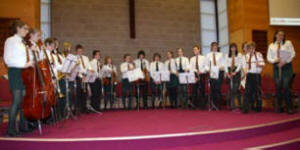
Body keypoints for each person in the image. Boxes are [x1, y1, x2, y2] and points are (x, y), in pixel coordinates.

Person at [4, 20, 32, 136]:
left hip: (24, 72)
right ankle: (10, 129)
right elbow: (8, 59)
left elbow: (27, 57)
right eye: (25, 28)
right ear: (18, 28)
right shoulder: (10, 41)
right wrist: (25, 64)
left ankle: (22, 126)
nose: (27, 31)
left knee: (23, 101)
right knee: (16, 101)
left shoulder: (23, 43)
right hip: (16, 72)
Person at [267, 30, 295, 114]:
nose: (280, 36)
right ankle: (279, 107)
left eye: (282, 35)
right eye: (279, 35)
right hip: (276, 66)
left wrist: (284, 62)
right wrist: (275, 60)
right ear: (275, 35)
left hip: (286, 66)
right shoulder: (271, 45)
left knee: (286, 86)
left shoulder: (288, 43)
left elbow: (293, 54)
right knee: (278, 87)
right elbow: (269, 58)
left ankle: (289, 107)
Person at [243, 42, 265, 113]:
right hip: (249, 75)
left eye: (252, 48)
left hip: (256, 75)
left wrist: (259, 64)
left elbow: (263, 64)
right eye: (250, 48)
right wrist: (244, 74)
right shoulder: (246, 56)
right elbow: (245, 66)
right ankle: (246, 108)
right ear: (248, 49)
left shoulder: (258, 55)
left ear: (254, 48)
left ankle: (258, 107)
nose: (251, 50)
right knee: (247, 91)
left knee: (257, 92)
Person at [206, 42, 225, 110]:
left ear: (217, 47)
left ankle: (218, 105)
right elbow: (206, 65)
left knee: (218, 89)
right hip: (211, 73)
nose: (215, 47)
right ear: (211, 47)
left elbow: (223, 64)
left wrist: (218, 68)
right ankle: (213, 105)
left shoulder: (221, 54)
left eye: (216, 46)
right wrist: (208, 70)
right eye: (213, 46)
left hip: (219, 73)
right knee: (213, 89)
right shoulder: (208, 55)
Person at [225, 43, 242, 111]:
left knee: (235, 89)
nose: (233, 49)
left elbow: (240, 64)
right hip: (229, 71)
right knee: (231, 89)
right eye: (232, 48)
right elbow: (225, 64)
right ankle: (233, 106)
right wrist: (227, 73)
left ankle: (233, 105)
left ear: (236, 48)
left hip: (236, 72)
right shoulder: (227, 55)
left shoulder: (239, 55)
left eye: (234, 47)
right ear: (230, 49)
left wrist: (236, 71)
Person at [189, 45, 207, 109]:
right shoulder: (192, 59)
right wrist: (194, 76)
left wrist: (201, 71)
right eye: (194, 50)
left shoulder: (203, 58)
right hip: (194, 75)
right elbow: (190, 68)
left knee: (202, 90)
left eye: (196, 49)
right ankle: (194, 105)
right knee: (194, 91)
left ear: (199, 50)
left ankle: (202, 105)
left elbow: (206, 67)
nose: (194, 51)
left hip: (202, 74)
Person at [75, 44, 92, 114]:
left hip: (85, 77)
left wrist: (91, 71)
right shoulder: (75, 58)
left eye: (81, 51)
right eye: (78, 51)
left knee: (85, 93)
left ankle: (84, 108)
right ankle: (78, 108)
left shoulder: (86, 58)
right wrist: (81, 74)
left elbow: (89, 67)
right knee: (79, 93)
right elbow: (75, 69)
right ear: (76, 51)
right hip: (78, 77)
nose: (80, 52)